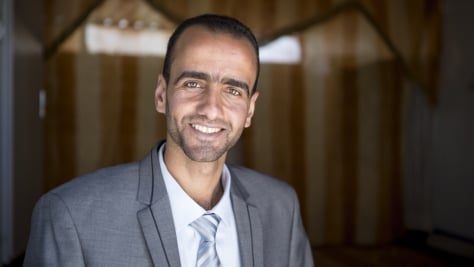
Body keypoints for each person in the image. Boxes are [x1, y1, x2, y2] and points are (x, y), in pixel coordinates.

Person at [24, 14, 314, 266]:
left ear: (250, 109)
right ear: (161, 94)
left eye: (233, 91)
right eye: (193, 84)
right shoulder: (69, 215)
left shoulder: (280, 207)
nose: (211, 108)